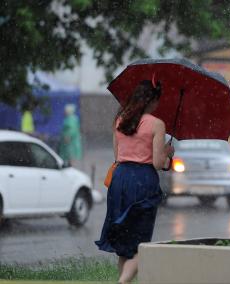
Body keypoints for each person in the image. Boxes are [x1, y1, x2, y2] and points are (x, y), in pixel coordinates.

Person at [95, 79, 174, 284]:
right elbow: (157, 163)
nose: (157, 105)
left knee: (123, 243)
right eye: (157, 101)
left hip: (120, 180)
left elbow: (118, 154)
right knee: (140, 244)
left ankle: (124, 280)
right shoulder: (157, 124)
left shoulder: (120, 120)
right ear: (151, 100)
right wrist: (167, 154)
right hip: (142, 181)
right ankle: (123, 282)